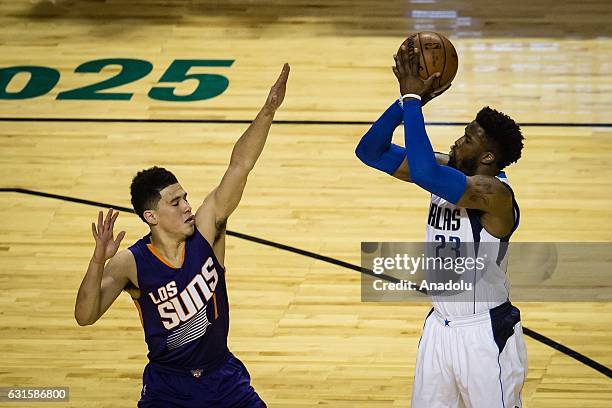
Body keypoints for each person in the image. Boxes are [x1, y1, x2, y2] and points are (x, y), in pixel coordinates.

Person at [74, 63, 290, 407]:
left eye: (186, 197)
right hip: (168, 387)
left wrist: (268, 110)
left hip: (223, 378)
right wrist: (98, 261)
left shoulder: (207, 229)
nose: (188, 206)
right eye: (176, 202)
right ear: (152, 216)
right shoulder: (131, 262)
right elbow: (85, 316)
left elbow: (239, 166)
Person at [355, 44, 527, 407]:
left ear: (488, 157)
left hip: (484, 334)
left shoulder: (492, 194)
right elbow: (369, 152)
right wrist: (403, 105)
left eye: (468, 138)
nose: (458, 140)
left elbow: (423, 172)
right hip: (439, 327)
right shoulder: (446, 169)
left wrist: (414, 99)